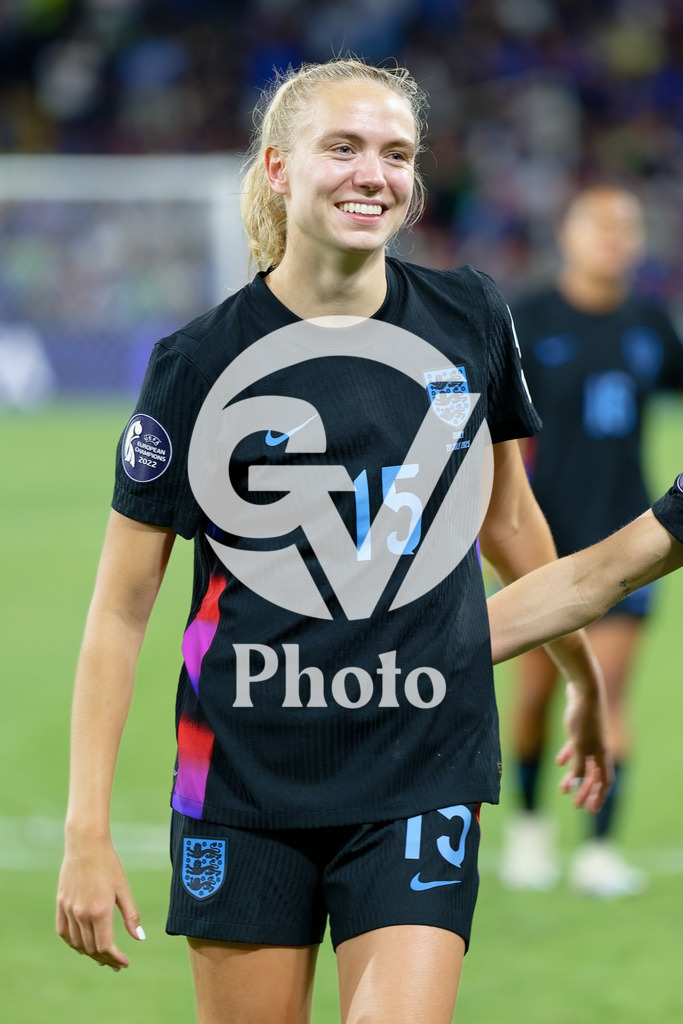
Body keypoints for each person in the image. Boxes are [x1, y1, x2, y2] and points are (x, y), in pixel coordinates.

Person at [56, 58, 611, 1024]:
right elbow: (121, 606)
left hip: (418, 761)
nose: (374, 173)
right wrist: (86, 831)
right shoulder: (198, 364)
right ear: (278, 167)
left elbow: (511, 526)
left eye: (396, 154)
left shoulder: (469, 317)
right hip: (239, 776)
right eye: (342, 147)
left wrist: (581, 679)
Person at [500, 184, 683, 897]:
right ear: (567, 235)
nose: (614, 236)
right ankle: (529, 829)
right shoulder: (531, 319)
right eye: (600, 224)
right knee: (534, 698)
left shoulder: (647, 322)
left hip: (632, 543)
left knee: (608, 693)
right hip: (542, 543)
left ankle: (599, 848)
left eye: (627, 226)